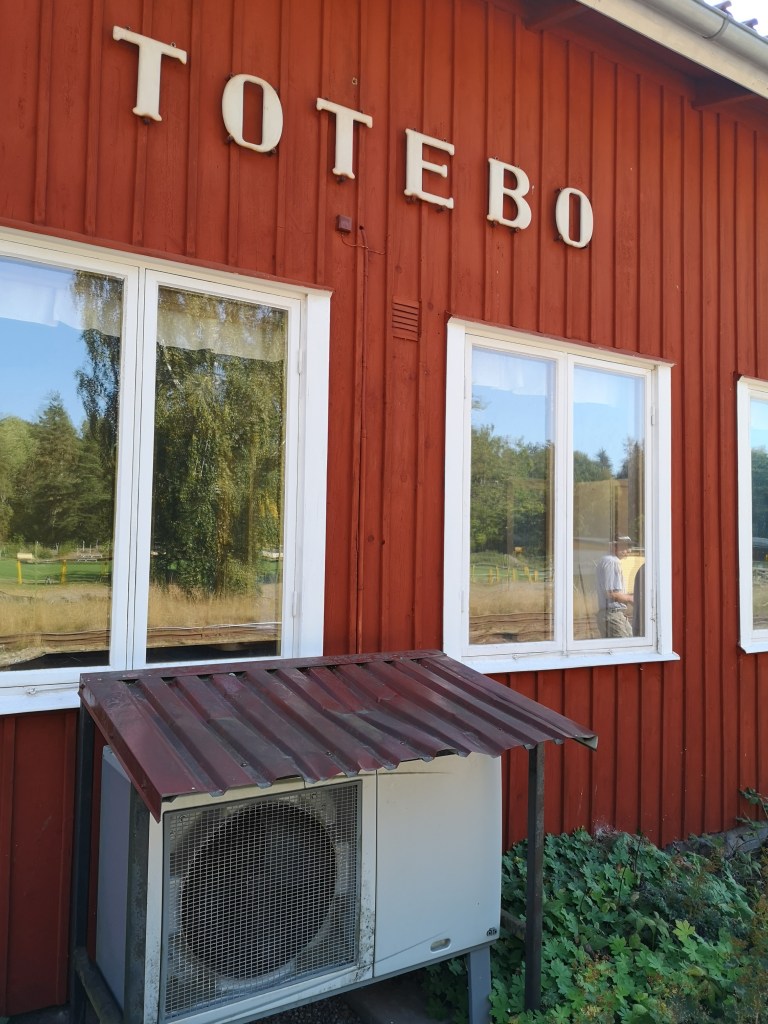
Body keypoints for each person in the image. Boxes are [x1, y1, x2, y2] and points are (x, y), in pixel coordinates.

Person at [595, 536, 634, 638]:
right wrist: (631, 599)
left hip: (613, 615)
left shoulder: (606, 560)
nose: (629, 551)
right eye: (625, 547)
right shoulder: (612, 562)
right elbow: (611, 593)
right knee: (625, 645)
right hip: (613, 615)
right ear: (614, 547)